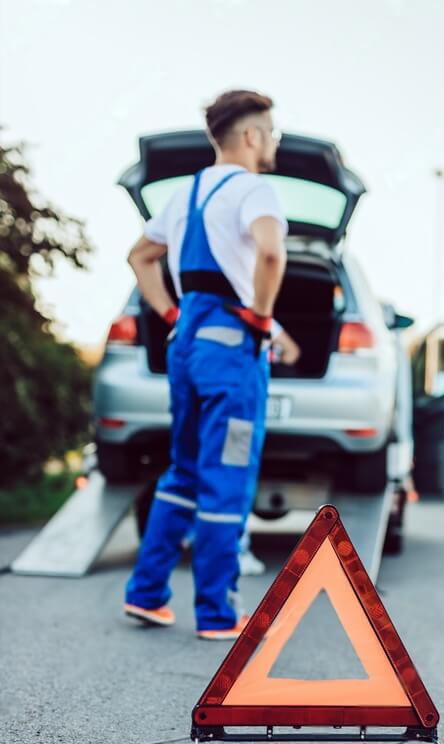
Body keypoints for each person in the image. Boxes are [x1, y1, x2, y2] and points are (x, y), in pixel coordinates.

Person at [123, 89, 299, 639]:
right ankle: (219, 615)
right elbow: (271, 253)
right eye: (270, 131)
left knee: (185, 470)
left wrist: (168, 310)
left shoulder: (185, 194)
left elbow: (140, 256)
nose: (274, 141)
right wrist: (264, 320)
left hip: (189, 343)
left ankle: (147, 595)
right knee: (228, 472)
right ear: (250, 137)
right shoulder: (254, 189)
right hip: (232, 356)